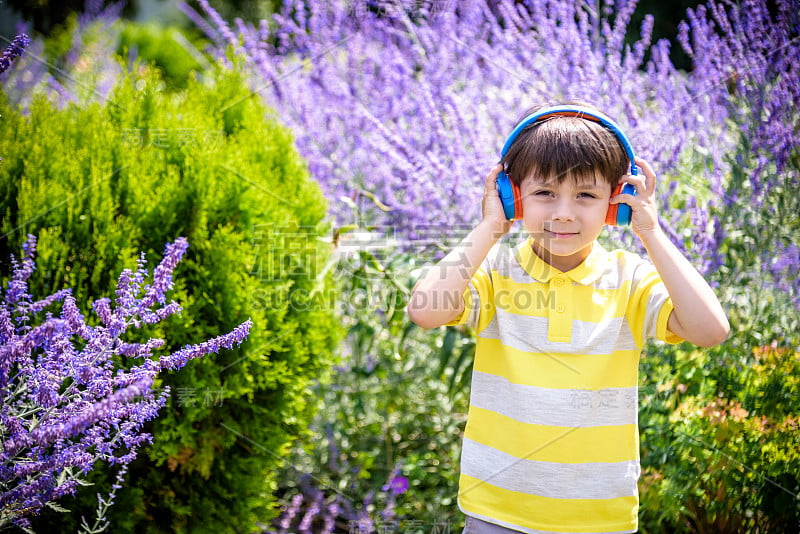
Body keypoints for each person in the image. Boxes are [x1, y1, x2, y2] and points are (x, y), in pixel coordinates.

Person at [406, 101, 730, 534]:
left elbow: (711, 330)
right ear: (512, 196)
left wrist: (650, 232)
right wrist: (490, 227)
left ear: (616, 205)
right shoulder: (494, 273)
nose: (563, 212)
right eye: (543, 193)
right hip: (496, 513)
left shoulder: (630, 279)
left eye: (586, 196)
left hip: (598, 520)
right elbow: (425, 311)